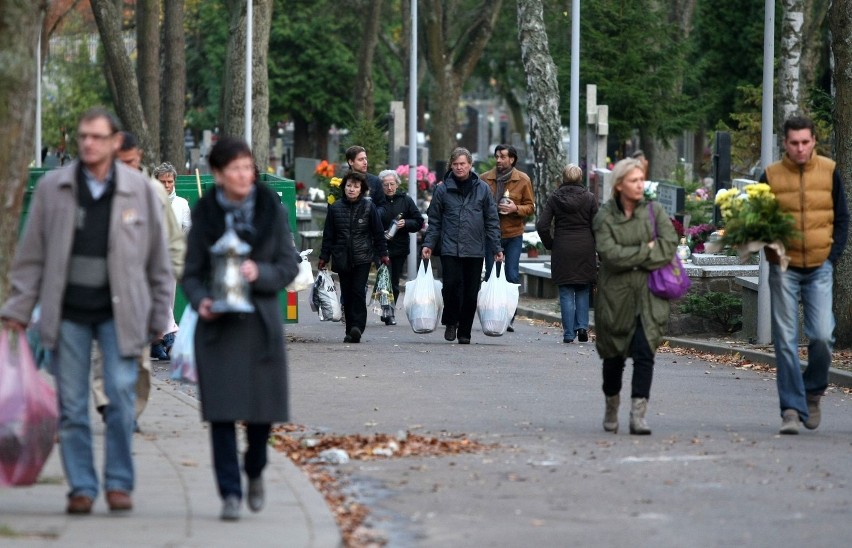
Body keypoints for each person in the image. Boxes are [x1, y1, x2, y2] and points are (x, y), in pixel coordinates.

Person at [1, 107, 173, 514]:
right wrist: (18, 309)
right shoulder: (55, 188)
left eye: (97, 137)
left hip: (122, 313)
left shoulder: (140, 190)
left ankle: (117, 483)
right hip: (69, 312)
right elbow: (32, 257)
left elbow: (158, 262)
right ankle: (80, 485)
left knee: (118, 396)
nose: (89, 144)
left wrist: (159, 316)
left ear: (115, 142)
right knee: (74, 405)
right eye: (83, 137)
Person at [180, 136, 300, 521]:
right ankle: (230, 493)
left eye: (248, 167)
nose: (244, 175)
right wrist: (200, 300)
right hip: (218, 329)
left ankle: (255, 469)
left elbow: (288, 266)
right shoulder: (205, 213)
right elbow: (191, 272)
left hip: (260, 325)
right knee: (221, 414)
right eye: (235, 169)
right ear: (217, 174)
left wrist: (258, 272)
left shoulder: (270, 209)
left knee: (261, 416)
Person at [759, 115, 849, 435]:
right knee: (785, 338)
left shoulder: (829, 170)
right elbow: (757, 222)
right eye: (794, 143)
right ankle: (791, 410)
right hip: (784, 267)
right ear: (785, 143)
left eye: (805, 142)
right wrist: (771, 251)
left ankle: (813, 391)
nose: (800, 148)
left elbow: (841, 218)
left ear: (814, 142)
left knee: (823, 335)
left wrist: (832, 257)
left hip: (820, 266)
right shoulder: (769, 175)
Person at [592, 158, 677, 435]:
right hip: (615, 297)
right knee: (613, 356)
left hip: (650, 297)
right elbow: (610, 255)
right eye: (633, 180)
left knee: (644, 352)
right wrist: (645, 251)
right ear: (619, 185)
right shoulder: (605, 216)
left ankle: (639, 415)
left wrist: (637, 255)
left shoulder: (654, 211)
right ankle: (611, 404)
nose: (640, 185)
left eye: (642, 179)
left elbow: (668, 246)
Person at [422, 147, 503, 345]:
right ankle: (451, 322)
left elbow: (491, 220)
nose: (459, 168)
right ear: (451, 166)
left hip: (475, 249)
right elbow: (435, 221)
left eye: (463, 164)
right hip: (450, 247)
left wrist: (496, 248)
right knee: (451, 286)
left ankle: (465, 330)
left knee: (470, 291)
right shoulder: (442, 190)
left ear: (470, 165)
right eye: (456, 164)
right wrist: (429, 244)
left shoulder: (482, 189)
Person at [318, 171, 390, 342]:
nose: (352, 189)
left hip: (363, 256)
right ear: (344, 187)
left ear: (361, 189)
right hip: (342, 256)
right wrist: (324, 256)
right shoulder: (335, 208)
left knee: (358, 291)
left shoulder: (368, 207)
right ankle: (350, 329)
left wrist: (383, 254)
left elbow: (378, 232)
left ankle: (358, 326)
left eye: (356, 187)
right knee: (347, 293)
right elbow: (329, 234)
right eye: (349, 186)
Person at [536, 164, 598, 343]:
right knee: (582, 289)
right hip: (584, 247)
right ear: (580, 178)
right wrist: (600, 251)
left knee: (565, 290)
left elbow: (542, 225)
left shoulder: (555, 198)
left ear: (562, 178)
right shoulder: (589, 198)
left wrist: (550, 243)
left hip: (562, 247)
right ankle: (582, 327)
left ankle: (569, 333)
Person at [480, 144, 535, 332]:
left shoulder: (523, 180)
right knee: (489, 275)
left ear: (512, 159)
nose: (498, 160)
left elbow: (531, 207)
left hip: (513, 234)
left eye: (503, 156)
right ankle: (489, 312)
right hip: (490, 234)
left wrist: (515, 209)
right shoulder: (485, 179)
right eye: (497, 156)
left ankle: (509, 316)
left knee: (511, 275)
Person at [377, 169, 424, 324]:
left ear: (397, 184)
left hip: (399, 247)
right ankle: (387, 311)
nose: (389, 187)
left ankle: (389, 309)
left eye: (392, 184)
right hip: (380, 246)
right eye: (386, 185)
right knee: (385, 280)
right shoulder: (376, 201)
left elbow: (418, 221)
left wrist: (406, 223)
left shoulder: (406, 200)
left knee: (394, 282)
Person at [153, 161, 192, 234]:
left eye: (170, 181)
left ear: (174, 182)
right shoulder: (148, 202)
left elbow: (187, 229)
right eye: (162, 182)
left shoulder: (182, 204)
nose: (166, 185)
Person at [345, 145, 386, 212]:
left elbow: (383, 206)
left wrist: (372, 216)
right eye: (360, 160)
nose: (365, 162)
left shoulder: (375, 181)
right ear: (351, 162)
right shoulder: (342, 181)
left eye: (365, 159)